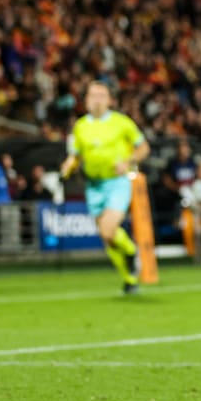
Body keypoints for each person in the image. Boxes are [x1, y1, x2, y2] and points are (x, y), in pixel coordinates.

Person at [60, 81, 150, 294]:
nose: (97, 99)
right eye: (93, 95)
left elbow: (144, 148)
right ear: (86, 100)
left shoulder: (122, 123)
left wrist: (128, 162)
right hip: (93, 185)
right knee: (106, 237)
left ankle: (130, 250)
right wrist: (68, 167)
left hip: (116, 183)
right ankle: (129, 279)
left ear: (110, 99)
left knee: (108, 229)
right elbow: (75, 156)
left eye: (102, 95)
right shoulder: (80, 126)